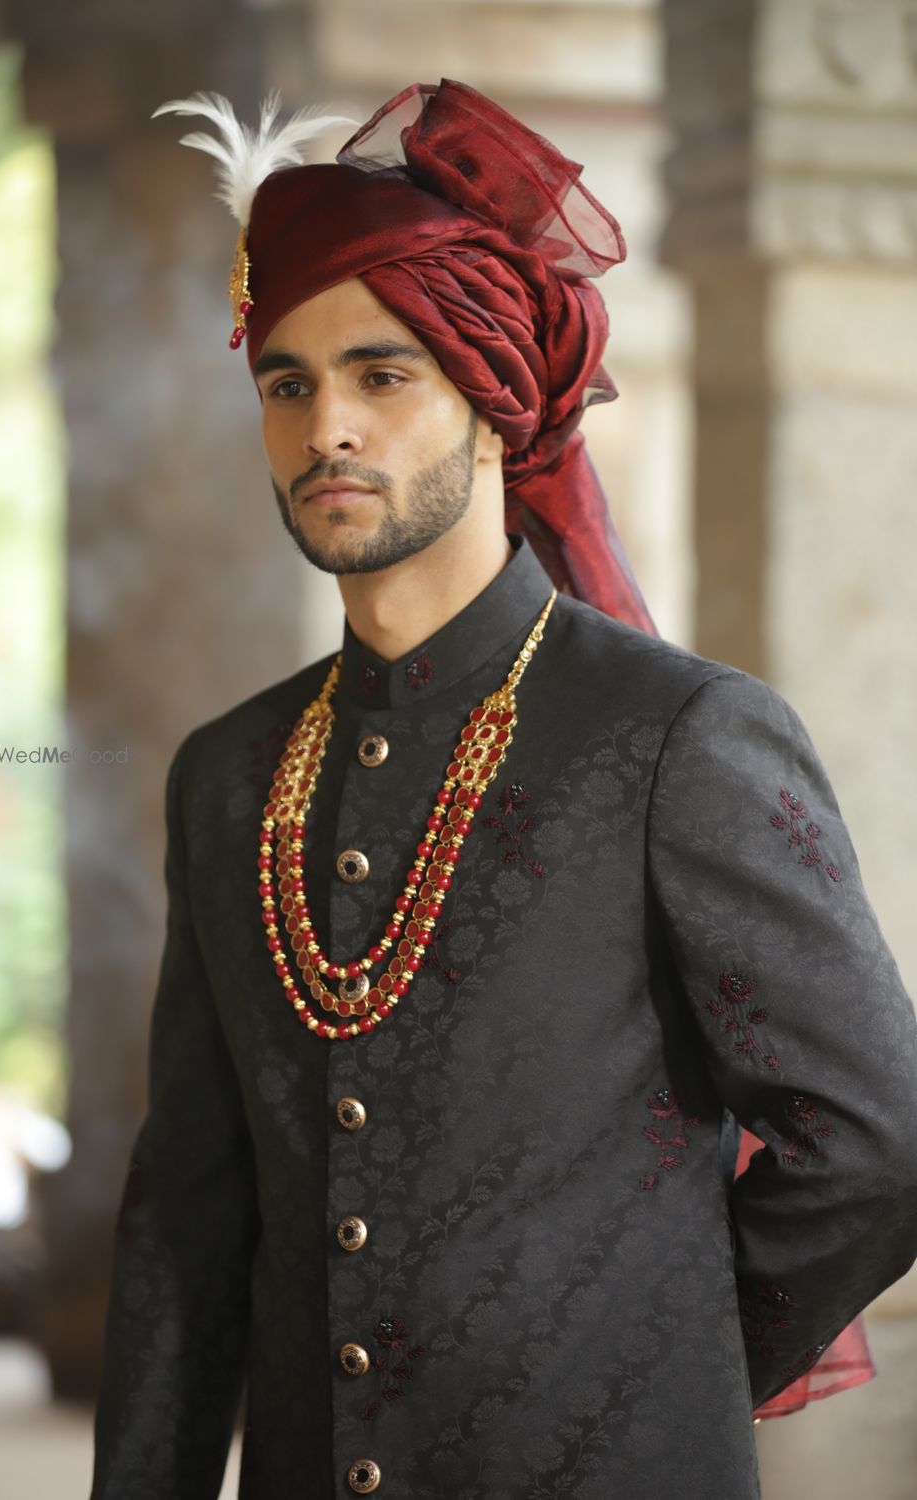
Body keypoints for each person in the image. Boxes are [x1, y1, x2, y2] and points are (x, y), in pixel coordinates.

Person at [89, 80, 917, 1500]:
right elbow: (189, 1215)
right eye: (287, 382)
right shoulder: (228, 774)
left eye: (381, 374)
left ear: (491, 401)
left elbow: (878, 1140)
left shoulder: (679, 736)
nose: (324, 426)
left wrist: (658, 1347)